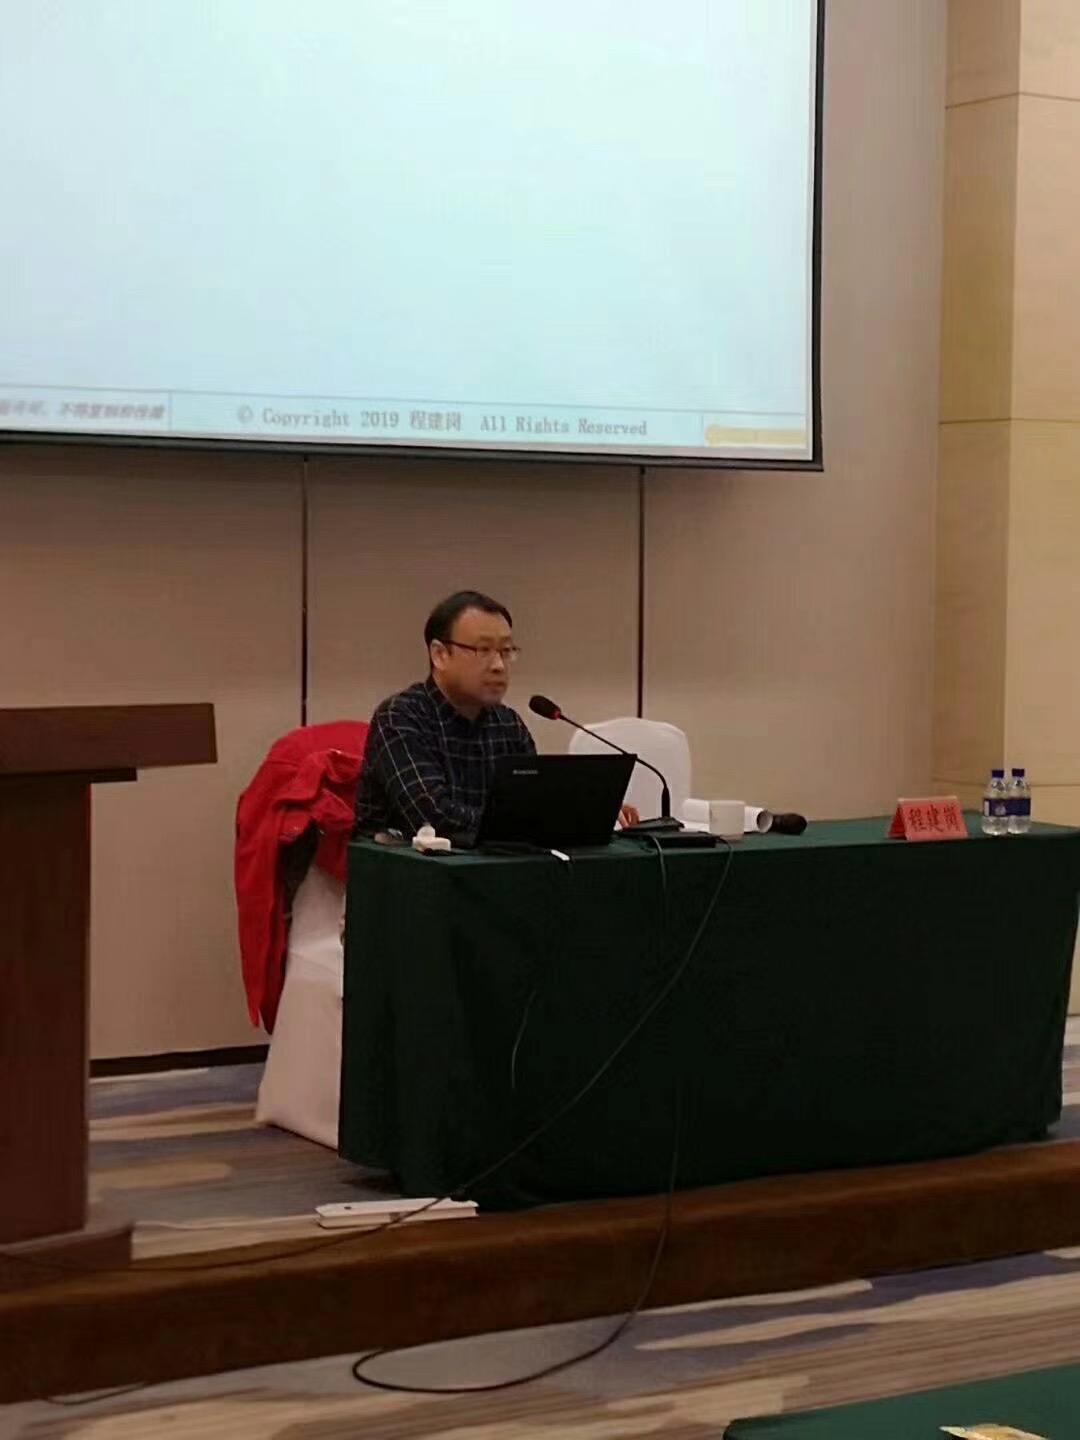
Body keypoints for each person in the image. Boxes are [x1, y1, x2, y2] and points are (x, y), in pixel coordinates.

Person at [354, 590, 638, 838]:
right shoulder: (400, 717)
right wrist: (525, 820)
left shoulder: (509, 725)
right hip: (412, 874)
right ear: (440, 654)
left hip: (493, 871)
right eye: (483, 650)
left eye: (506, 650)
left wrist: (584, 811)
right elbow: (433, 816)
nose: (499, 665)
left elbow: (533, 803)